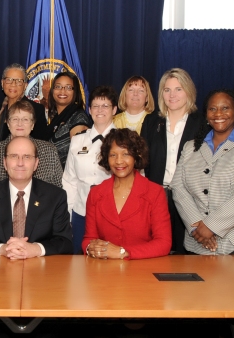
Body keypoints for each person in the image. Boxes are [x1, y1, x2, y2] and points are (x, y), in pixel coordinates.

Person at [171, 89, 234, 255]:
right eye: (212, 109)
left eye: (225, 108)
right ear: (206, 114)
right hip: (199, 244)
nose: (218, 113)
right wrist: (196, 227)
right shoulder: (191, 147)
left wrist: (211, 225)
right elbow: (178, 187)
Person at [0, 137, 73, 258]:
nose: (20, 163)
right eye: (14, 156)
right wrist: (3, 249)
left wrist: (35, 249)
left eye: (27, 157)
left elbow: (65, 242)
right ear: (4, 162)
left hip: (41, 270)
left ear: (36, 164)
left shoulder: (55, 197)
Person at [140, 68, 203, 254]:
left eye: (178, 89)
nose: (172, 95)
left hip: (190, 199)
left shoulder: (201, 122)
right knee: (158, 251)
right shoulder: (152, 121)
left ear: (189, 91)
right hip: (158, 196)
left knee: (186, 252)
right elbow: (143, 160)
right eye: (167, 90)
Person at [83, 129, 171, 259]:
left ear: (136, 156)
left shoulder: (154, 192)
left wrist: (123, 252)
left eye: (125, 154)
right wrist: (91, 249)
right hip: (104, 272)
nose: (119, 161)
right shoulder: (96, 193)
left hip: (143, 269)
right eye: (113, 155)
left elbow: (164, 243)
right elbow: (88, 239)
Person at [62, 86, 117, 254]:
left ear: (114, 109)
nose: (100, 110)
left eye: (105, 106)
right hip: (81, 212)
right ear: (89, 109)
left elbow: (137, 180)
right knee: (78, 265)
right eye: (95, 106)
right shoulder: (77, 141)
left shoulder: (125, 139)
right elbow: (70, 181)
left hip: (114, 213)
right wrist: (69, 215)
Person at [0, 99, 62, 189]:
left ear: (33, 124)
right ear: (8, 123)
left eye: (25, 119)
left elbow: (59, 190)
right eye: (15, 119)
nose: (20, 124)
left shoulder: (49, 151)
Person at [0, 63, 48, 141]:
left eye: (19, 81)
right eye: (9, 80)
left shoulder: (36, 110)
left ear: (25, 86)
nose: (13, 84)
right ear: (2, 83)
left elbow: (40, 141)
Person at [46, 72, 92, 168]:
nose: (62, 91)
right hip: (52, 178)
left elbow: (80, 158)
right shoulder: (56, 118)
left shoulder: (79, 117)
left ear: (75, 92)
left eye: (68, 88)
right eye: (58, 87)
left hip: (69, 179)